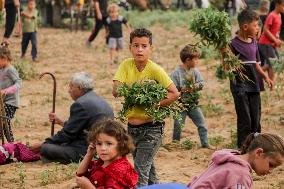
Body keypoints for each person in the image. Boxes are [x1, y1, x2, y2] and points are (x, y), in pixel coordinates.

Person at [113, 28, 179, 187]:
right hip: (132, 130)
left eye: (144, 46)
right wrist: (136, 91)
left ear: (151, 48)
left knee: (140, 172)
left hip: (152, 130)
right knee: (149, 172)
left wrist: (154, 103)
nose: (139, 50)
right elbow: (116, 90)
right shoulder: (126, 65)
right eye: (136, 46)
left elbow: (174, 93)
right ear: (130, 47)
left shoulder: (155, 69)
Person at [29, 72, 114, 164]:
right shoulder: (98, 99)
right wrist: (61, 122)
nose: (69, 90)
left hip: (87, 151)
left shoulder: (80, 104)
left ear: (79, 87)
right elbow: (79, 127)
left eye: (71, 87)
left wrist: (43, 144)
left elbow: (68, 134)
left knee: (46, 149)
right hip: (105, 148)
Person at [223, 9, 273, 148]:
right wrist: (223, 53)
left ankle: (256, 145)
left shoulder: (253, 42)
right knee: (245, 118)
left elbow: (256, 64)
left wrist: (266, 77)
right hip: (239, 85)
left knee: (256, 117)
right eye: (256, 25)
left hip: (254, 84)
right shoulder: (232, 44)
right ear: (245, 27)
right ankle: (243, 147)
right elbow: (227, 67)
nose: (258, 28)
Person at [188, 133, 284, 188]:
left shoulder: (228, 157)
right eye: (271, 164)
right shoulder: (241, 174)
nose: (271, 171)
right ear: (258, 153)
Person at [75, 119, 138, 189]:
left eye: (109, 143)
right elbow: (80, 175)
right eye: (99, 143)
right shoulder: (102, 163)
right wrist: (89, 155)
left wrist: (88, 187)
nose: (103, 148)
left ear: (121, 145)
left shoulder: (118, 171)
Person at [170, 44, 210, 148]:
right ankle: (175, 143)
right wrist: (181, 89)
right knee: (178, 125)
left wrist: (194, 86)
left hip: (193, 104)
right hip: (180, 105)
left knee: (202, 124)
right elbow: (171, 88)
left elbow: (201, 83)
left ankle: (205, 144)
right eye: (196, 59)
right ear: (188, 60)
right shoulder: (176, 73)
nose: (197, 61)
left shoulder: (195, 71)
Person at [0, 43, 22, 143]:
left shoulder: (10, 70)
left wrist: (6, 91)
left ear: (4, 58)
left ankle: (11, 143)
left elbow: (19, 83)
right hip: (3, 102)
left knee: (4, 120)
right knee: (2, 120)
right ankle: (5, 144)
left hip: (11, 102)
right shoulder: (2, 69)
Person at [258, 0, 284, 82]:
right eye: (283, 6)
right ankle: (271, 84)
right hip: (264, 43)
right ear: (277, 4)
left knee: (276, 62)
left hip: (270, 44)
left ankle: (255, 73)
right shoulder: (272, 15)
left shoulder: (279, 15)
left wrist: (277, 40)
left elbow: (275, 32)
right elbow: (265, 30)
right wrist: (275, 40)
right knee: (273, 63)